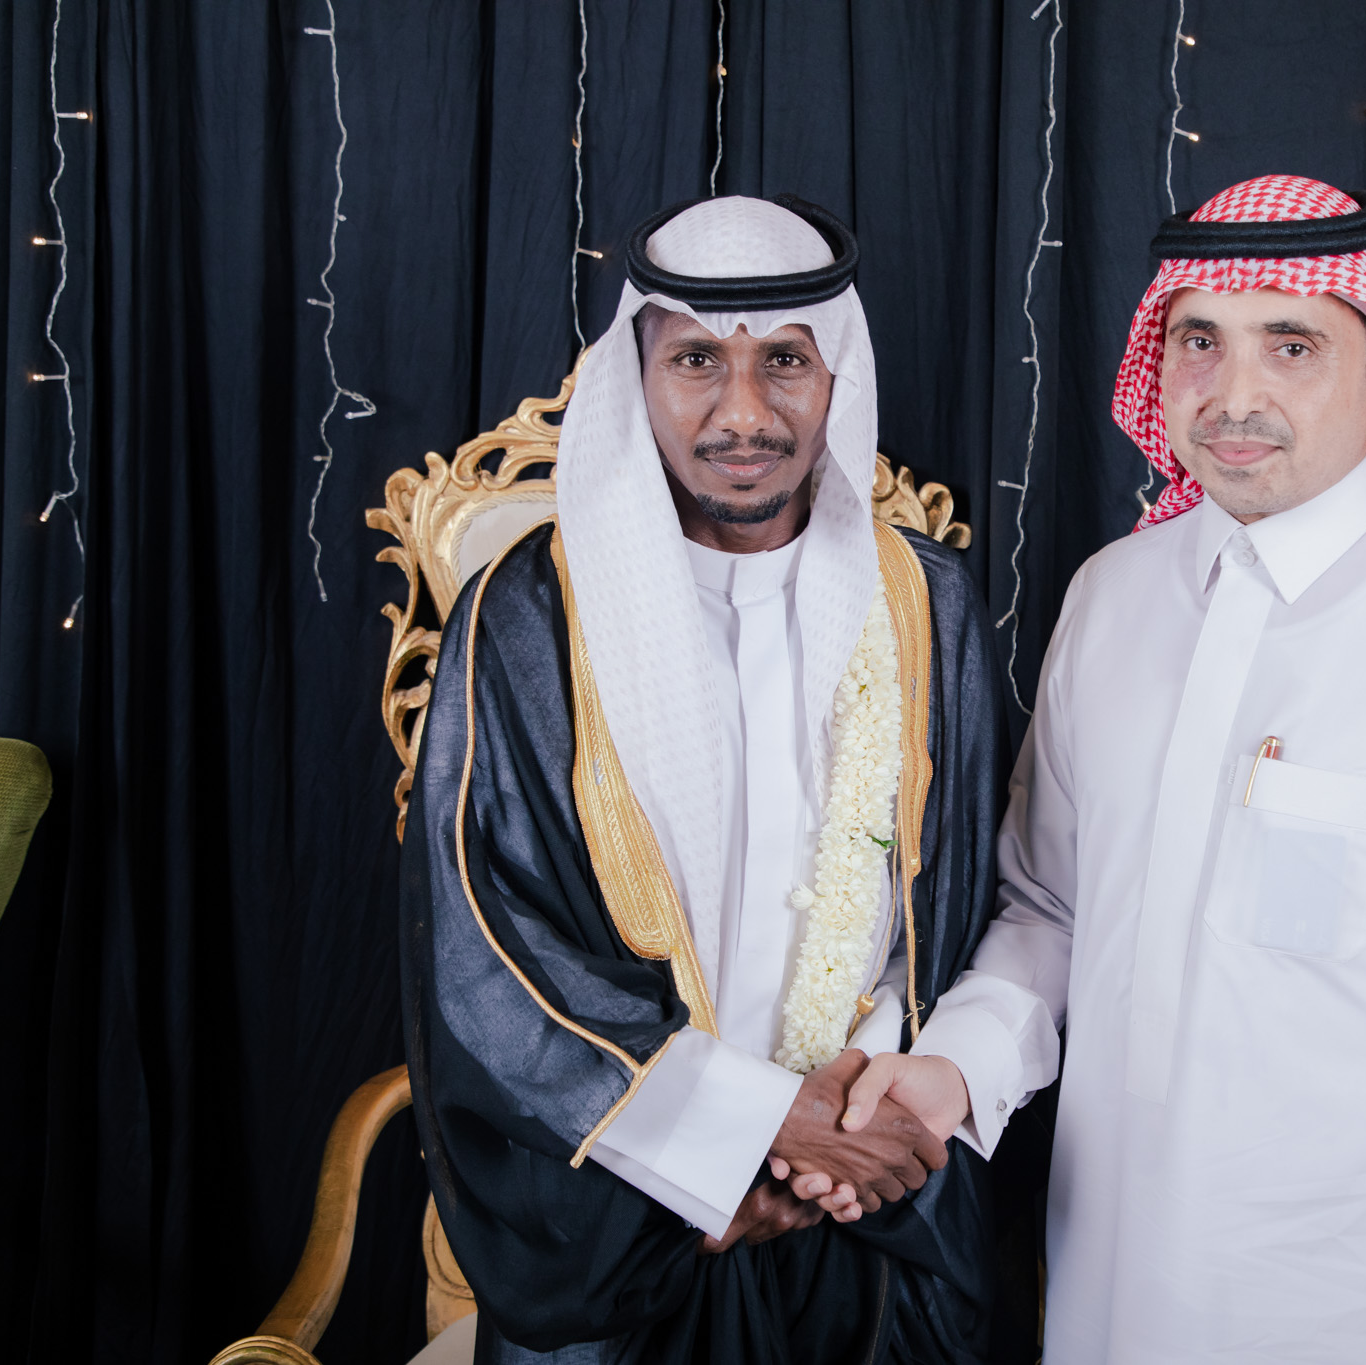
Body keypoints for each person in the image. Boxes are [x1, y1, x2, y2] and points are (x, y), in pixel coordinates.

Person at [831, 175, 1366, 1363]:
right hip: (1107, 1268)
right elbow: (1052, 909)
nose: (1234, 395)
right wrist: (954, 1069)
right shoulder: (1111, 598)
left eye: (1289, 345)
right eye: (1199, 341)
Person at [400, 193, 1004, 1364]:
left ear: (835, 377)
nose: (743, 413)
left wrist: (841, 1127)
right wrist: (736, 1138)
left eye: (785, 360)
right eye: (694, 361)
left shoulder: (924, 603)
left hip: (865, 1200)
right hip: (626, 1213)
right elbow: (482, 947)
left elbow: (958, 904)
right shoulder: (526, 615)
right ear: (635, 377)